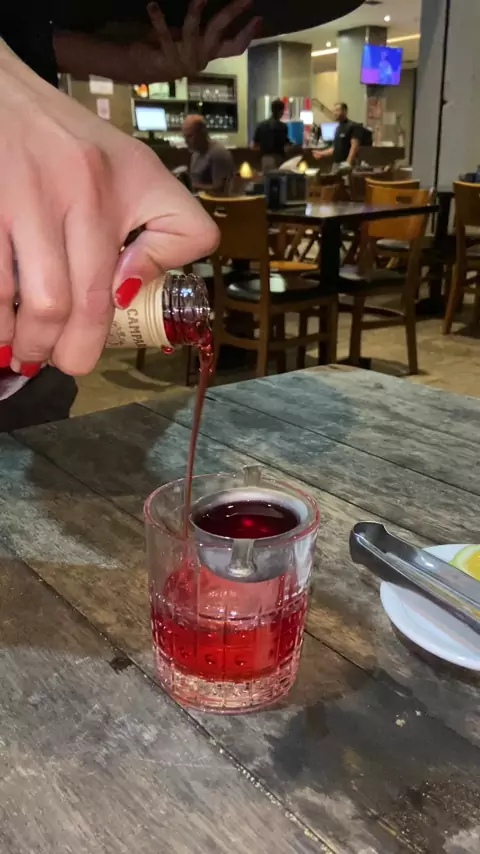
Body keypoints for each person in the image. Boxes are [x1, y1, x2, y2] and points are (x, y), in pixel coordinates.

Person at [0, 0, 259, 430]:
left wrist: (127, 59)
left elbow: (29, 33)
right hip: (26, 221)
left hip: (36, 295)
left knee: (39, 420)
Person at [183, 115, 235, 195]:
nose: (186, 141)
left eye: (190, 136)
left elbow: (221, 190)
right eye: (185, 137)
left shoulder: (218, 153)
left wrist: (192, 187)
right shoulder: (195, 154)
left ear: (203, 133)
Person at [313, 102, 362, 173]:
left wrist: (348, 163)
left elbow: (354, 147)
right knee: (332, 179)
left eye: (337, 110)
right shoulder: (337, 128)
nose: (335, 113)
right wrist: (321, 153)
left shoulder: (352, 126)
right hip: (336, 164)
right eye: (334, 111)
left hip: (347, 164)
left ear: (344, 111)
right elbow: (335, 149)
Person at [251, 98, 291, 172]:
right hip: (278, 158)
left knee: (267, 178)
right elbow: (286, 145)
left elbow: (255, 145)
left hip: (265, 159)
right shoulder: (283, 127)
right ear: (281, 111)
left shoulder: (261, 125)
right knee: (278, 178)